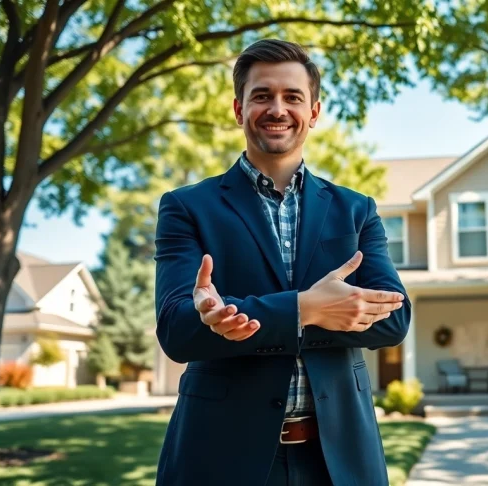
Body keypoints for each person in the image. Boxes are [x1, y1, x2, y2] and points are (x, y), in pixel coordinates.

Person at [153, 39, 411, 486]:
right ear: (238, 109)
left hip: (339, 462)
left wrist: (253, 319)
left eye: (292, 97)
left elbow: (394, 318)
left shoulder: (356, 210)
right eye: (261, 95)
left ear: (313, 111)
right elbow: (178, 330)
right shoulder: (186, 207)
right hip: (219, 458)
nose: (277, 108)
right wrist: (308, 308)